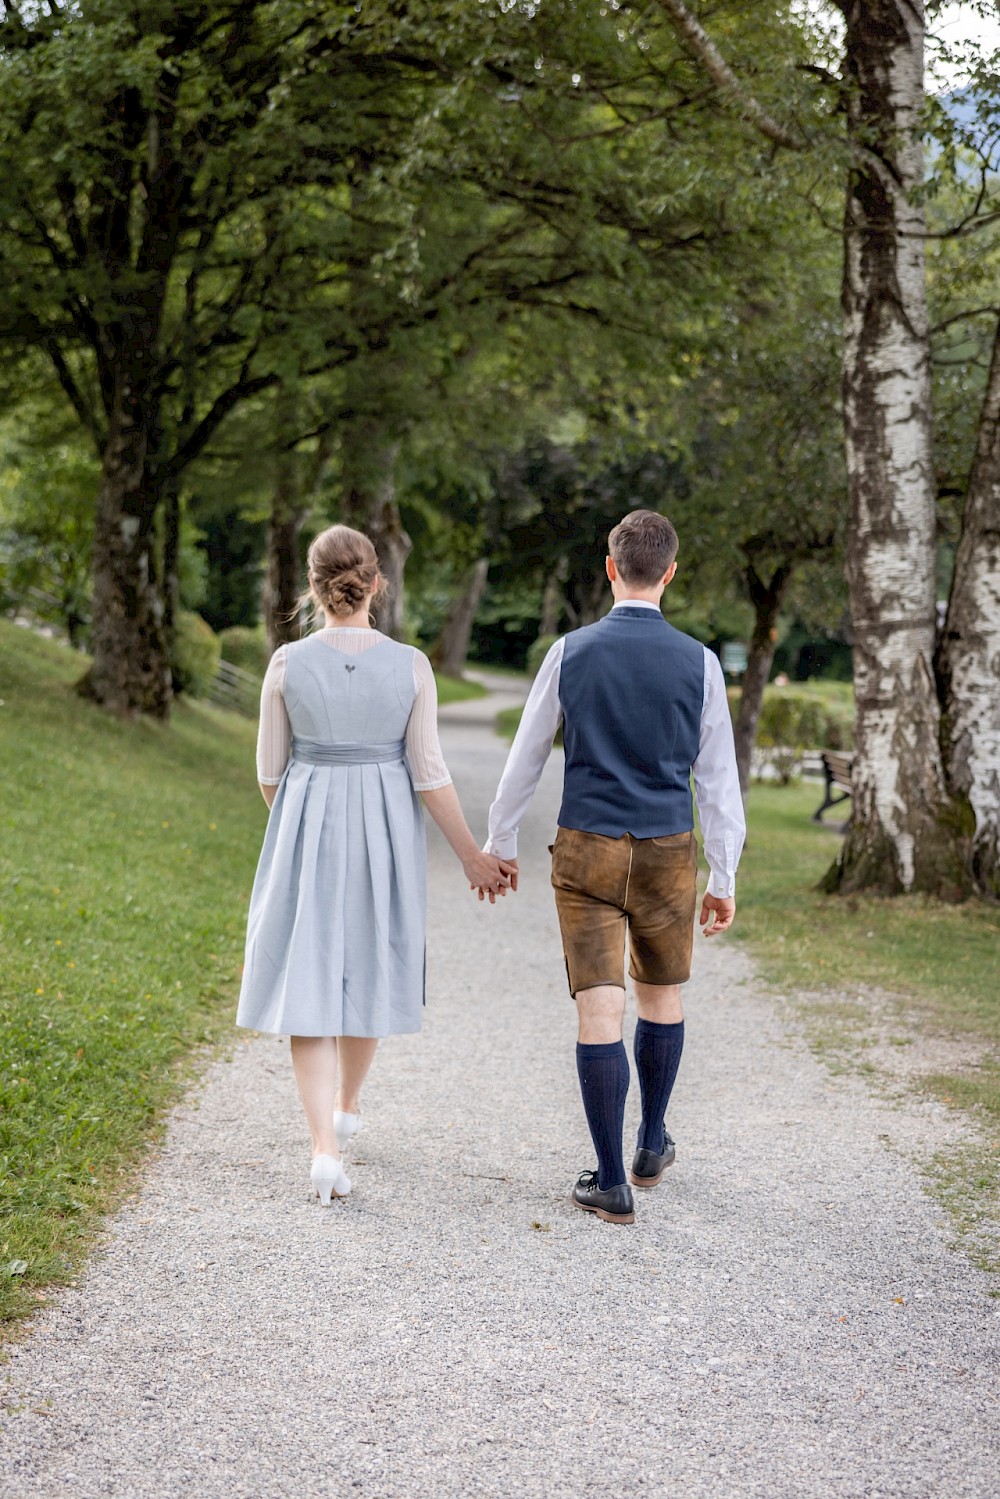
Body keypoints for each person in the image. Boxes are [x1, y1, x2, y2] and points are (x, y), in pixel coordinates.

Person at [236, 524, 513, 1206]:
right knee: (369, 965)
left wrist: (301, 820)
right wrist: (474, 857)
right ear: (375, 584)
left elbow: (271, 772)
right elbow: (429, 773)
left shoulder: (286, 664)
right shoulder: (412, 665)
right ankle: (347, 1106)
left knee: (309, 983)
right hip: (383, 836)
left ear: (313, 585)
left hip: (307, 826)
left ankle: (324, 1151)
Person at [485, 510, 745, 1225]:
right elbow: (719, 781)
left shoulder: (570, 651)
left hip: (588, 844)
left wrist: (501, 841)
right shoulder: (700, 663)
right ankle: (651, 1143)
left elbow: (527, 756)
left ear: (609, 568)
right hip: (666, 848)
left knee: (599, 1006)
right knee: (661, 996)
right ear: (669, 573)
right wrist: (723, 877)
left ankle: (608, 1180)